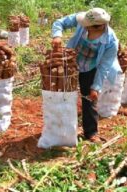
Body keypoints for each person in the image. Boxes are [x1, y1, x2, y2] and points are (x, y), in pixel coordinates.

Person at [51, 8, 122, 142]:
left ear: (99, 26)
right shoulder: (83, 19)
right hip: (70, 62)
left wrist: (96, 87)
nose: (83, 27)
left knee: (89, 98)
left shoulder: (111, 42)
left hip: (90, 67)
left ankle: (91, 133)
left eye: (87, 27)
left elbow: (104, 66)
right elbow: (59, 22)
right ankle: (62, 128)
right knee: (63, 93)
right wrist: (57, 36)